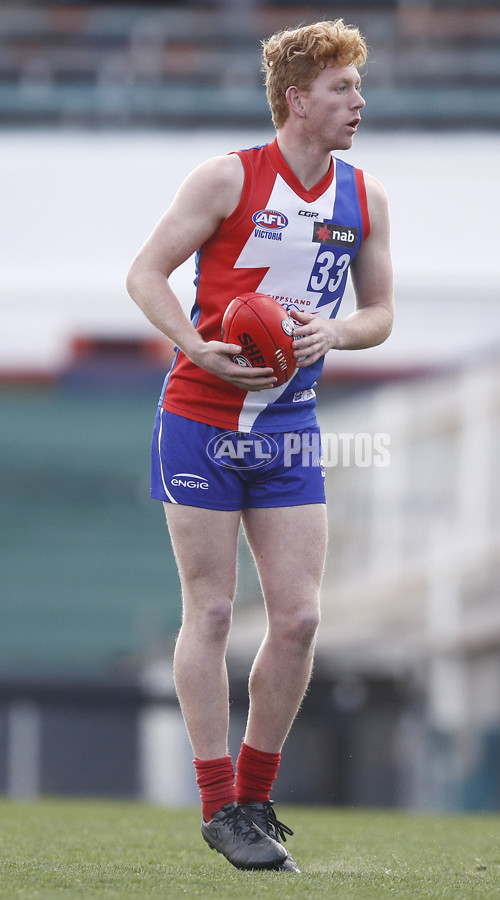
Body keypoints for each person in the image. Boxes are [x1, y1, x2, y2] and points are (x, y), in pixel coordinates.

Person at [126, 18, 394, 873]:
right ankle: (217, 807)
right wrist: (197, 345)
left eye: (357, 86)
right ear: (296, 100)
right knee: (208, 611)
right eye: (342, 88)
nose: (359, 101)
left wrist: (338, 335)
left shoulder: (364, 198)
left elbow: (381, 314)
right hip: (201, 416)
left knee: (302, 617)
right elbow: (144, 273)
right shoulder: (227, 178)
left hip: (290, 426)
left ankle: (254, 795)